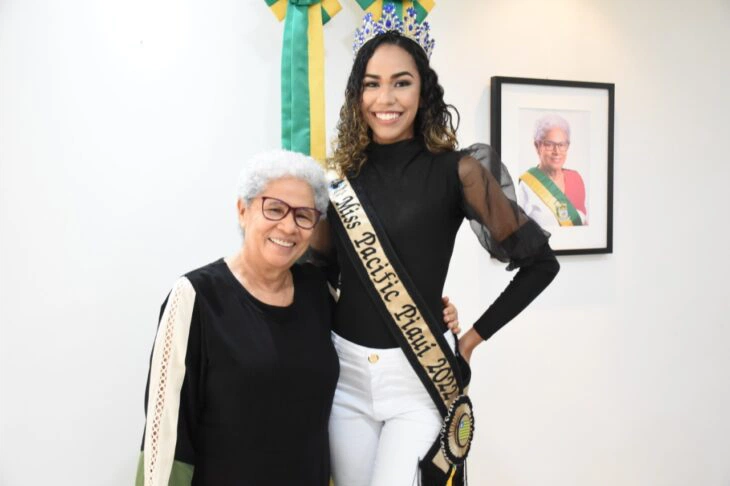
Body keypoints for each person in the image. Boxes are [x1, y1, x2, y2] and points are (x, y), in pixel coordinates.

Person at [309, 7, 561, 486]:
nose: (386, 98)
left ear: (423, 89)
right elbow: (319, 275)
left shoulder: (457, 172)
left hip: (418, 381)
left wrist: (469, 340)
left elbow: (540, 265)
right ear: (356, 93)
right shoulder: (336, 179)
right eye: (371, 83)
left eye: (401, 82)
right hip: (344, 380)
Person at [135, 149, 461, 486]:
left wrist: (437, 316)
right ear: (242, 210)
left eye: (304, 215)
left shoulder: (318, 292)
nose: (288, 226)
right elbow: (166, 434)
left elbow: (372, 331)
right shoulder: (195, 297)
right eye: (274, 208)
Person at [518, 114, 587, 227]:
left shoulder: (575, 179)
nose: (557, 151)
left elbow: (584, 223)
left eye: (562, 144)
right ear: (537, 146)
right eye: (549, 144)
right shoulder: (525, 186)